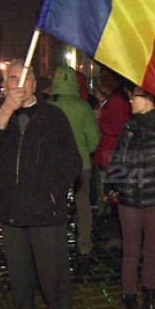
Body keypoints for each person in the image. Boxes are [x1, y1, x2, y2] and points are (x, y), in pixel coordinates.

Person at [0, 59, 81, 309]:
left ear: (34, 83)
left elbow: (72, 160)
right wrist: (6, 110)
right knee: (19, 276)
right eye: (12, 79)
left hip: (46, 214)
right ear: (5, 84)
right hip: (11, 211)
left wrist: (54, 194)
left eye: (24, 78)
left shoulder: (53, 116)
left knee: (53, 278)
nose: (18, 84)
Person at [106, 85, 155, 309]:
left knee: (152, 254)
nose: (130, 100)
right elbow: (118, 158)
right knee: (131, 253)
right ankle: (131, 304)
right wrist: (114, 186)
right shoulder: (130, 127)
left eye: (133, 96)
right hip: (131, 201)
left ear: (148, 100)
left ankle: (149, 303)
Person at [50, 66, 100, 256]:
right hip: (81, 164)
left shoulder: (49, 106)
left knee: (57, 203)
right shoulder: (83, 106)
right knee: (83, 203)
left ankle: (57, 243)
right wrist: (86, 152)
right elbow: (94, 137)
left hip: (55, 164)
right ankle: (84, 243)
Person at [93, 69, 131, 219]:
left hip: (110, 152)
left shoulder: (117, 100)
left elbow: (115, 126)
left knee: (107, 190)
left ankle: (107, 220)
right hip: (110, 152)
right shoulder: (116, 98)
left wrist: (99, 118)